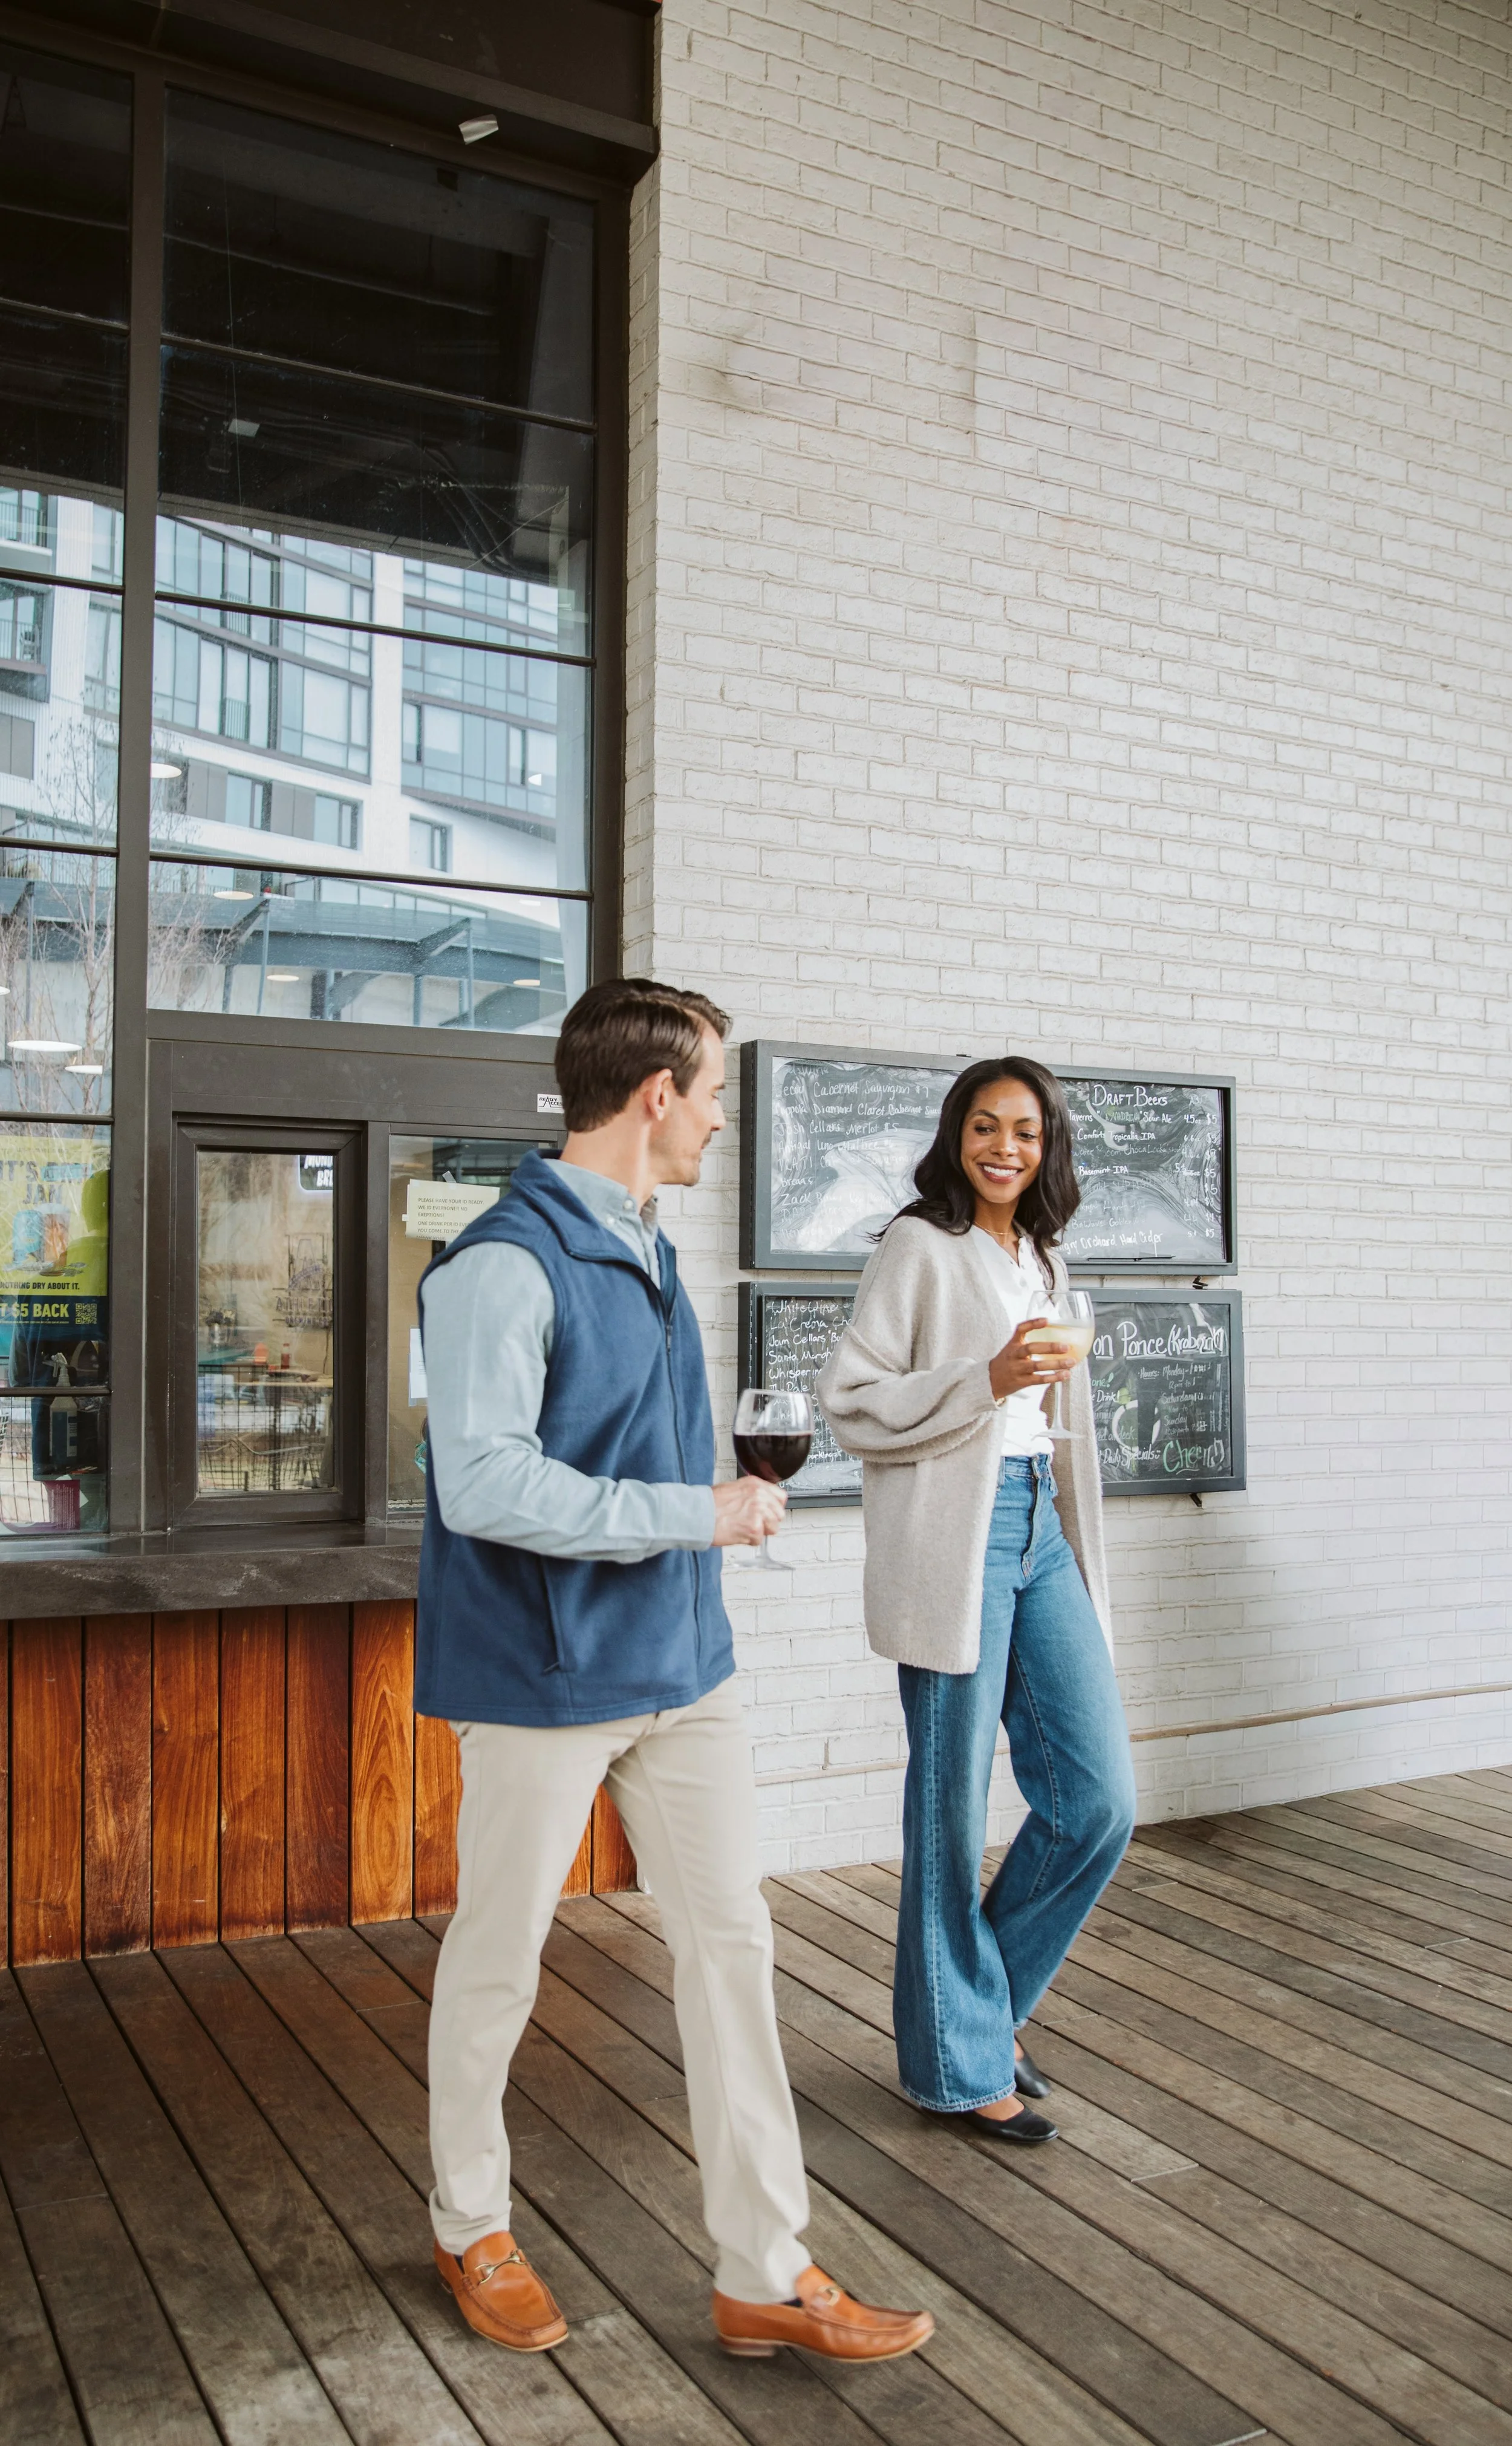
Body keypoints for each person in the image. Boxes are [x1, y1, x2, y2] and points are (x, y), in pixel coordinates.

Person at [416, 977, 933, 2364]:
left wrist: (705, 1501)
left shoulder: (648, 1247)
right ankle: (470, 2223)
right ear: (655, 1097)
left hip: (681, 1664)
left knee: (732, 1952)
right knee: (500, 1962)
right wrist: (696, 1512)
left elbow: (626, 1459)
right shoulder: (497, 1266)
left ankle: (764, 2269)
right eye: (708, 1094)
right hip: (539, 1675)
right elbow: (483, 1485)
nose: (715, 1120)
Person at [818, 1056, 1136, 2141]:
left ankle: (978, 2016)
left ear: (1050, 1151)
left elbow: (1051, 1408)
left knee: (1098, 1801)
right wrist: (985, 1381)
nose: (1007, 1147)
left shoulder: (1043, 1255)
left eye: (1029, 1133)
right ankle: (959, 2063)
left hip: (1039, 1521)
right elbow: (851, 1404)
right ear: (958, 1135)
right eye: (988, 1127)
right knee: (949, 1808)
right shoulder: (921, 1245)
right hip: (959, 1531)